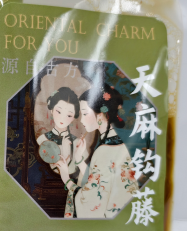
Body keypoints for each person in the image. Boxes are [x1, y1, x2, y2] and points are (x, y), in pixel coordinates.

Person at [54, 83, 138, 219]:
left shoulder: (104, 150)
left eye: (85, 113)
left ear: (101, 115)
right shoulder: (116, 143)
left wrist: (66, 179)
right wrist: (79, 159)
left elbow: (91, 201)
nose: (81, 120)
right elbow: (99, 181)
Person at [36, 87, 85, 180]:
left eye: (69, 115)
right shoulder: (42, 139)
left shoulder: (78, 143)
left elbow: (84, 174)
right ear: (51, 110)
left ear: (74, 117)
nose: (63, 118)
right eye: (59, 111)